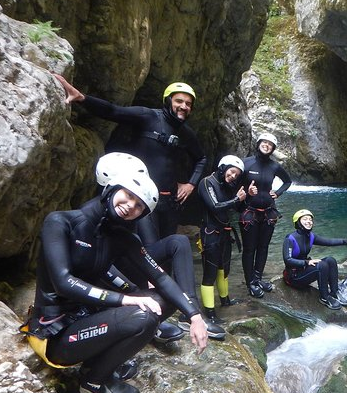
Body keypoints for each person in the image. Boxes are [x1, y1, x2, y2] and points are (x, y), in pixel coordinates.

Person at [20, 168, 208, 393]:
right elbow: (64, 283)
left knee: (166, 299)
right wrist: (126, 300)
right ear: (111, 189)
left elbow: (161, 279)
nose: (130, 205)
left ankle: (99, 360)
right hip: (55, 335)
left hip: (89, 318)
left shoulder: (123, 238)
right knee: (144, 316)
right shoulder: (60, 222)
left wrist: (194, 315)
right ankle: (93, 383)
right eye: (128, 195)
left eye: (139, 205)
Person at [53, 74, 207, 244]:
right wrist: (82, 98)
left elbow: (201, 158)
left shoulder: (187, 134)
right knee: (149, 250)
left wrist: (190, 184)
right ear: (168, 100)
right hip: (142, 201)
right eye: (179, 101)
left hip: (170, 203)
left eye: (188, 104)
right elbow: (113, 111)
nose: (184, 106)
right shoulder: (148, 117)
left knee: (167, 253)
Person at [95, 153, 225, 341]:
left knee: (178, 242)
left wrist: (152, 276)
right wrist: (136, 289)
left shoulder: (132, 210)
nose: (133, 201)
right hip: (108, 276)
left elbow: (144, 249)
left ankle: (189, 311)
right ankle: (145, 319)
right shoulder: (94, 215)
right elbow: (96, 264)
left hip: (130, 262)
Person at [240, 133, 293, 298]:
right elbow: (234, 182)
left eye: (270, 144)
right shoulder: (246, 163)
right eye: (264, 142)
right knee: (249, 249)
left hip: (269, 212)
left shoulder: (274, 167)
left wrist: (278, 193)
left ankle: (257, 278)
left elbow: (287, 181)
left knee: (263, 247)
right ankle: (250, 282)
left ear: (273, 148)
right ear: (258, 144)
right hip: (249, 211)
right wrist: (246, 193)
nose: (267, 145)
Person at [197, 155, 247, 321]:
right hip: (210, 233)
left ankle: (225, 301)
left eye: (236, 175)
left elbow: (238, 207)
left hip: (224, 233)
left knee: (223, 269)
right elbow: (215, 206)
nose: (233, 176)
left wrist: (246, 198)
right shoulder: (207, 182)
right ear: (223, 167)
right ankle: (210, 313)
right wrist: (235, 199)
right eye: (232, 172)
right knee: (210, 273)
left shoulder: (227, 186)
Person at [282, 209, 347, 309]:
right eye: (305, 219)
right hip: (293, 276)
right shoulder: (290, 238)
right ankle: (324, 297)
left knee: (330, 260)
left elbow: (328, 241)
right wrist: (307, 262)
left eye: (310, 219)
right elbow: (287, 260)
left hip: (304, 271)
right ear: (298, 222)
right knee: (321, 265)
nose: (309, 221)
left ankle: (334, 292)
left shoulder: (310, 236)